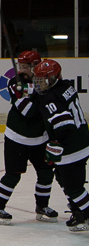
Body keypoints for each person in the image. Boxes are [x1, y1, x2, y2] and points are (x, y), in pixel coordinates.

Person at [0, 51, 56, 224]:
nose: (21, 70)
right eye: (20, 66)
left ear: (35, 67)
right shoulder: (15, 83)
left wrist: (35, 93)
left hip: (40, 139)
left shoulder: (42, 81)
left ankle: (42, 207)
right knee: (13, 175)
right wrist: (41, 96)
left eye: (25, 66)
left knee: (46, 172)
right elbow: (29, 112)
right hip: (16, 138)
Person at [32, 59, 89, 231]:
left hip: (71, 149)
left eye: (43, 80)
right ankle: (79, 214)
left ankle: (85, 214)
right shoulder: (65, 86)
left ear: (53, 78)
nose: (39, 84)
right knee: (64, 178)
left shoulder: (50, 98)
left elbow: (65, 126)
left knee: (74, 188)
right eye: (37, 79)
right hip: (83, 141)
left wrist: (57, 145)